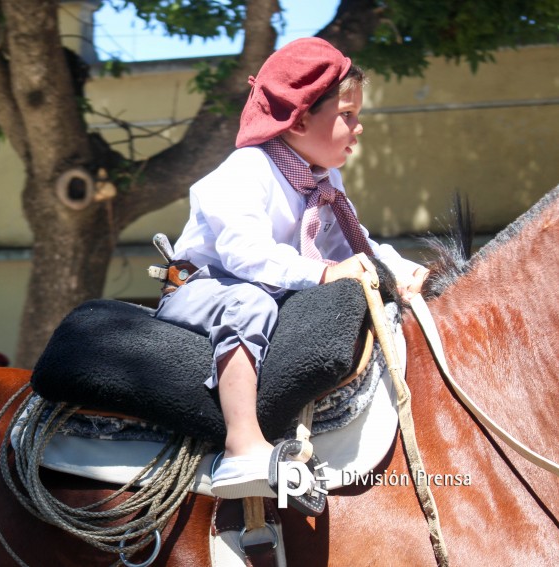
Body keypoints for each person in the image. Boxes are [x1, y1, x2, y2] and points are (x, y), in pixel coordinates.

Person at [155, 38, 429, 499]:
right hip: (203, 288)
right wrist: (323, 274)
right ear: (299, 119)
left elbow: (351, 243)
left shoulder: (324, 181)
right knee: (250, 301)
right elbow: (246, 255)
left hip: (267, 291)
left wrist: (397, 269)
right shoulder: (246, 170)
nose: (359, 127)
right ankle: (242, 445)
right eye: (347, 115)